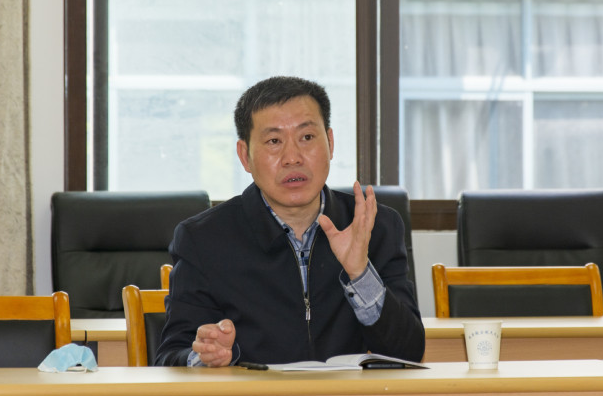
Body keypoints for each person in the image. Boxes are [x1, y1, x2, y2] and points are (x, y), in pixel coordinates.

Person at [155, 76, 425, 367]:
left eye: (307, 137)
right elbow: (170, 357)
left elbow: (409, 353)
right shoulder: (204, 239)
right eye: (274, 141)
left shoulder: (375, 227)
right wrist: (205, 356)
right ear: (245, 156)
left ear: (330, 143)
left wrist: (360, 273)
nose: (292, 158)